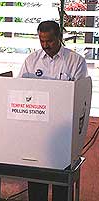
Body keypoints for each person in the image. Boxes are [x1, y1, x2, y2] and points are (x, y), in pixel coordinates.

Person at [18, 20, 88, 201]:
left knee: (61, 185)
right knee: (36, 183)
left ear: (59, 37)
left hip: (64, 132)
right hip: (37, 132)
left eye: (49, 41)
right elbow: (20, 90)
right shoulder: (31, 61)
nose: (45, 45)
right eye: (41, 41)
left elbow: (80, 98)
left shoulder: (76, 62)